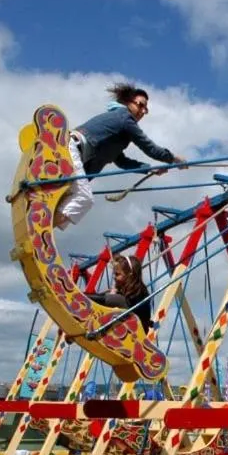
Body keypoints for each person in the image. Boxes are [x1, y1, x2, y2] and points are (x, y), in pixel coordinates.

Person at [54, 82, 187, 231]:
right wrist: (174, 159)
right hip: (73, 148)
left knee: (61, 200)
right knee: (83, 198)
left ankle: (41, 232)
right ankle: (41, 234)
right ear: (128, 102)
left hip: (70, 150)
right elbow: (149, 148)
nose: (143, 111)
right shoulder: (125, 118)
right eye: (140, 105)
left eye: (146, 109)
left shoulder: (119, 130)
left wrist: (149, 169)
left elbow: (121, 160)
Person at [87, 254, 153, 332]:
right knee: (111, 300)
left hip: (138, 328)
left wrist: (113, 295)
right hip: (128, 325)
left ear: (130, 274)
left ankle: (82, 296)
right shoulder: (125, 289)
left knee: (117, 299)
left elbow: (121, 301)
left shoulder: (140, 291)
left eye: (117, 274)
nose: (114, 277)